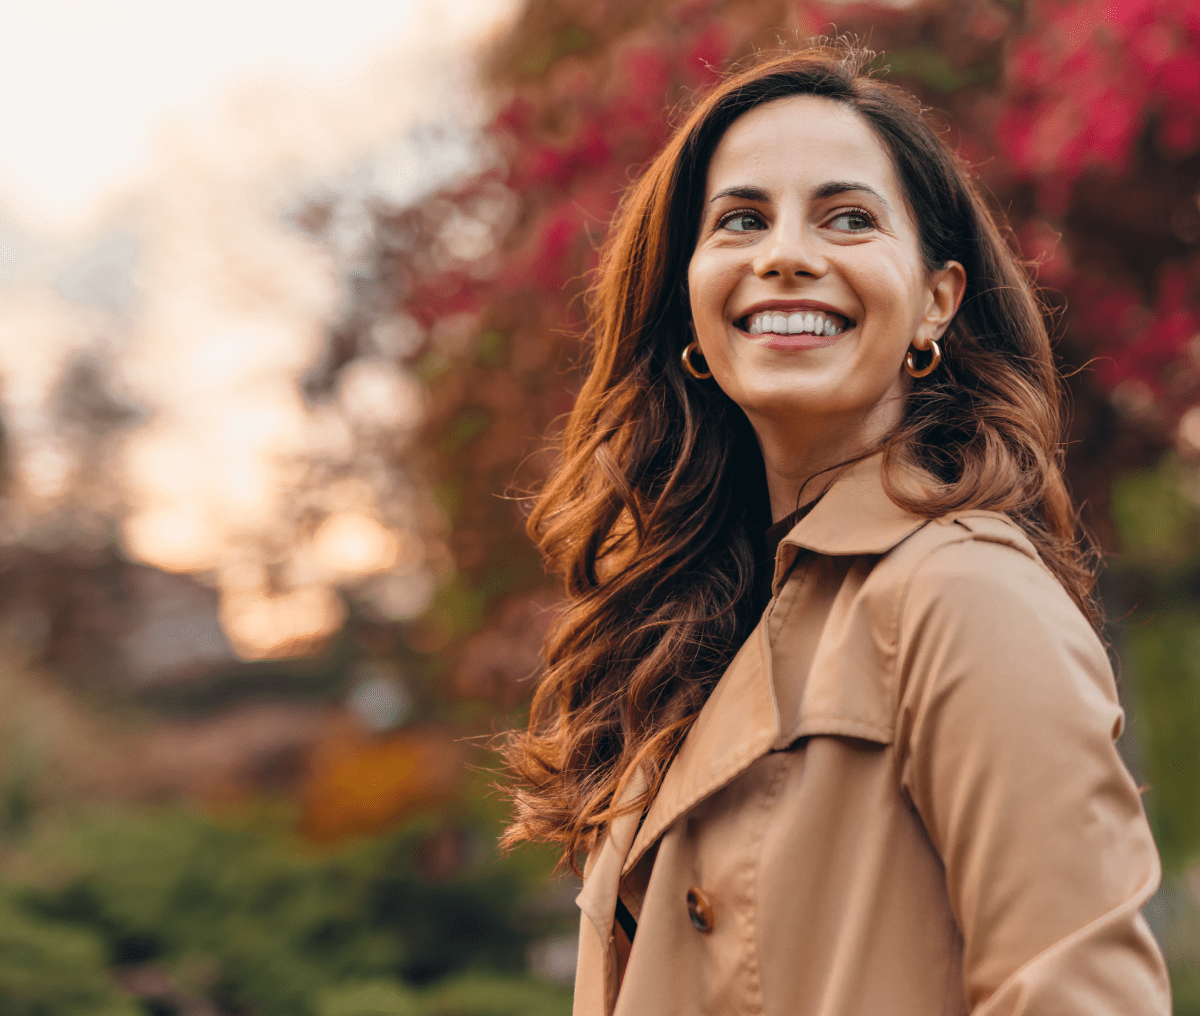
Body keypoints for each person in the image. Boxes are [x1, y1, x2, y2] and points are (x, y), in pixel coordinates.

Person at [502, 46, 1172, 1015]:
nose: (784, 252)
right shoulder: (688, 628)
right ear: (692, 294)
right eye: (741, 219)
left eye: (848, 217)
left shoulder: (964, 592)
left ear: (936, 299)